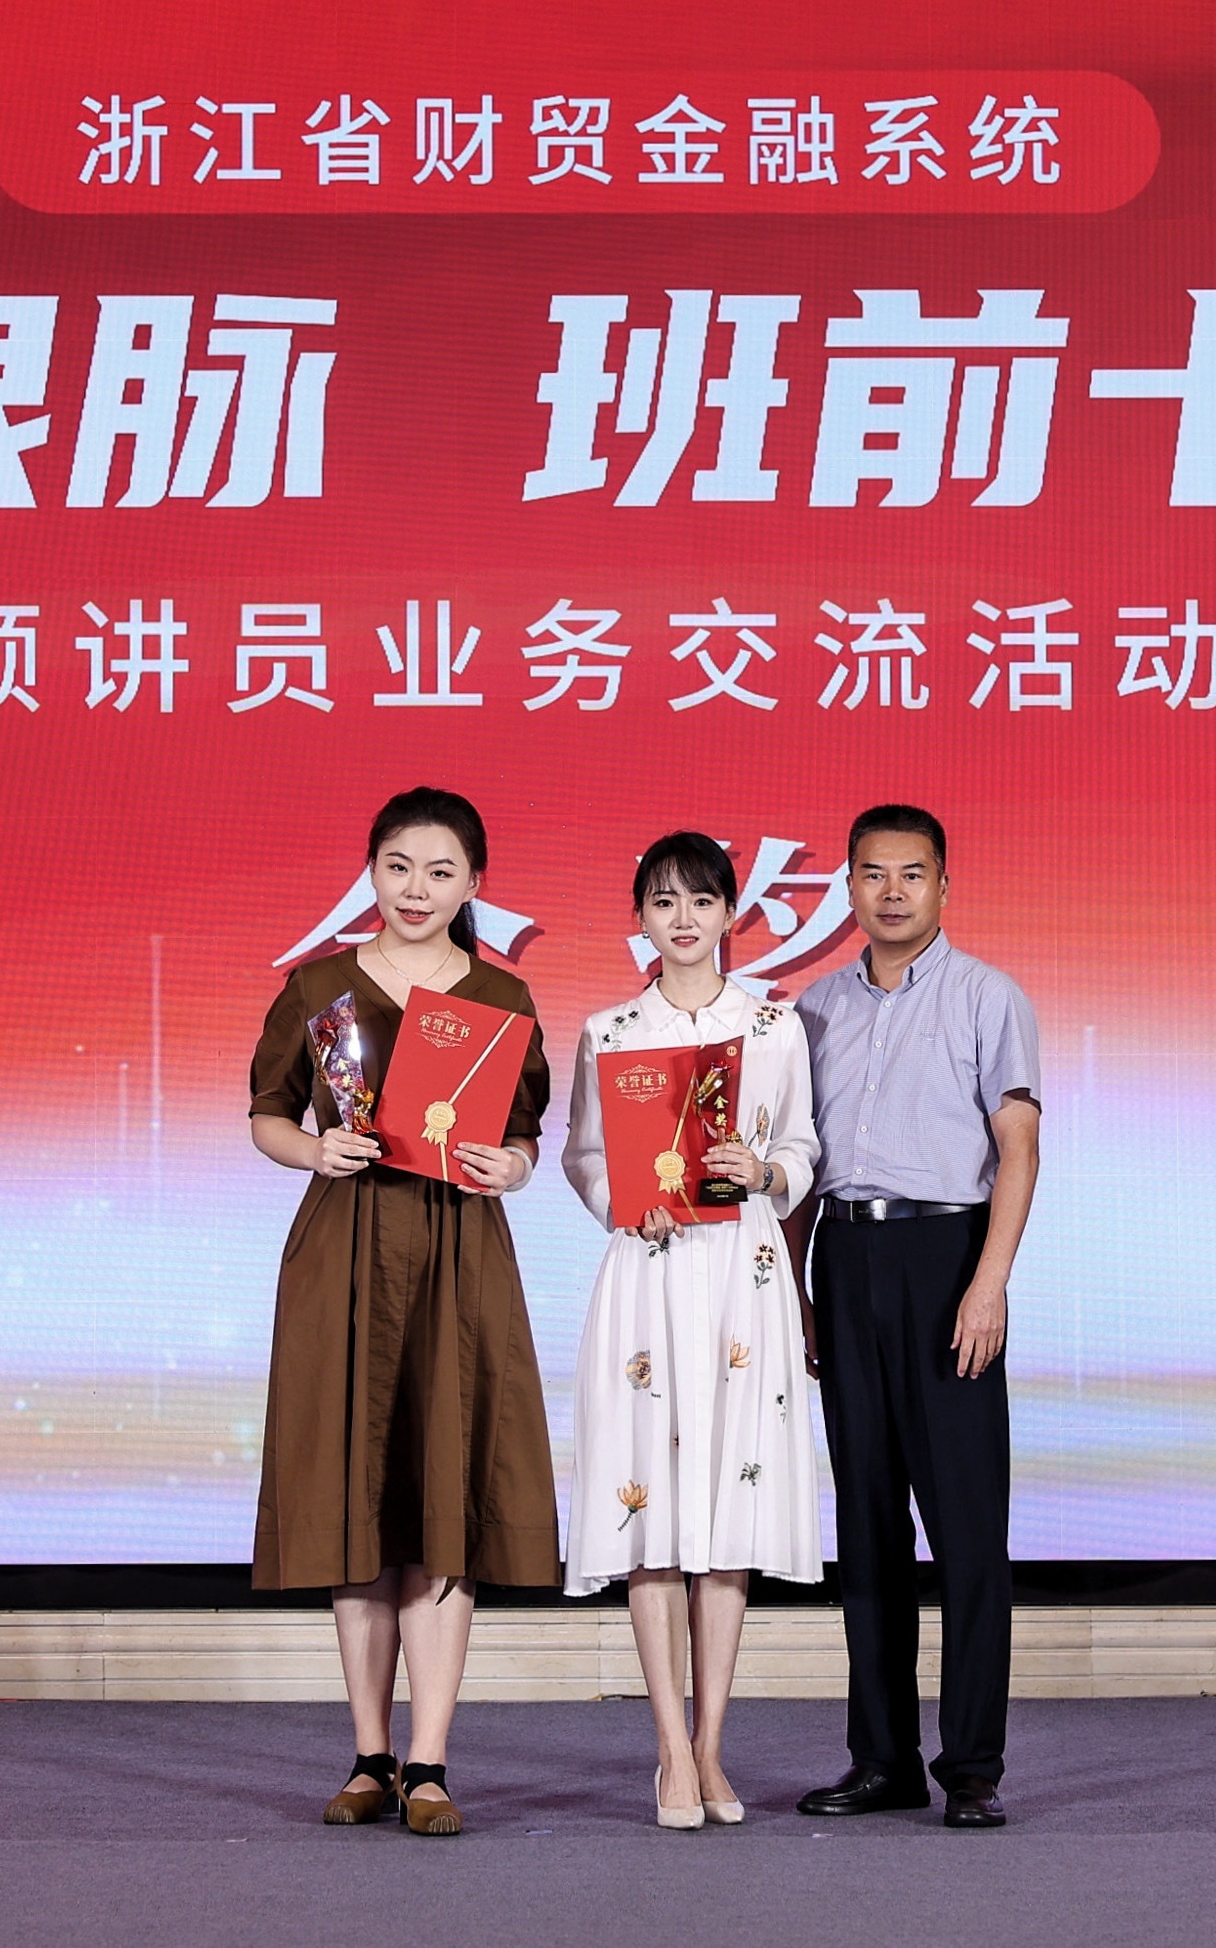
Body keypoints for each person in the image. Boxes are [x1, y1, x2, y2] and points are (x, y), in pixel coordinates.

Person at [246, 787, 557, 1839]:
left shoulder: (501, 996)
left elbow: (524, 1129)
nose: (416, 889)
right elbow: (266, 1112)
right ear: (370, 871)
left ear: (473, 883)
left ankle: (429, 1761)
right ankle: (368, 1754)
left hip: (457, 1257)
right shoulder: (319, 986)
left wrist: (511, 1165)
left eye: (440, 871)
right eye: (397, 866)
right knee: (359, 1501)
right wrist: (313, 1147)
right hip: (344, 1252)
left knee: (443, 1501)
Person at [558, 830, 824, 1830]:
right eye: (663, 900)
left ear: (730, 913)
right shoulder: (610, 1030)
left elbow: (802, 1143)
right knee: (654, 1510)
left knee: (727, 1512)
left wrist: (767, 1171)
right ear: (639, 915)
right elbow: (585, 1154)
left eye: (702, 900)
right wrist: (622, 1202)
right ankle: (670, 1747)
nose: (683, 918)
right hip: (650, 1274)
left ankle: (713, 1744)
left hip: (742, 1276)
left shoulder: (773, 1024)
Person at [793, 803, 1040, 1831]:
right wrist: (796, 1288)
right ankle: (882, 1758)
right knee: (866, 1525)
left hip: (947, 1259)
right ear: (847, 886)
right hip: (844, 1255)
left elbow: (1018, 1148)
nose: (891, 891)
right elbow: (797, 1162)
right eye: (872, 873)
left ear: (944, 885)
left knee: (968, 1526)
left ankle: (971, 1765)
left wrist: (989, 1283)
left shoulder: (988, 995)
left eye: (912, 873)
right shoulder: (811, 1008)